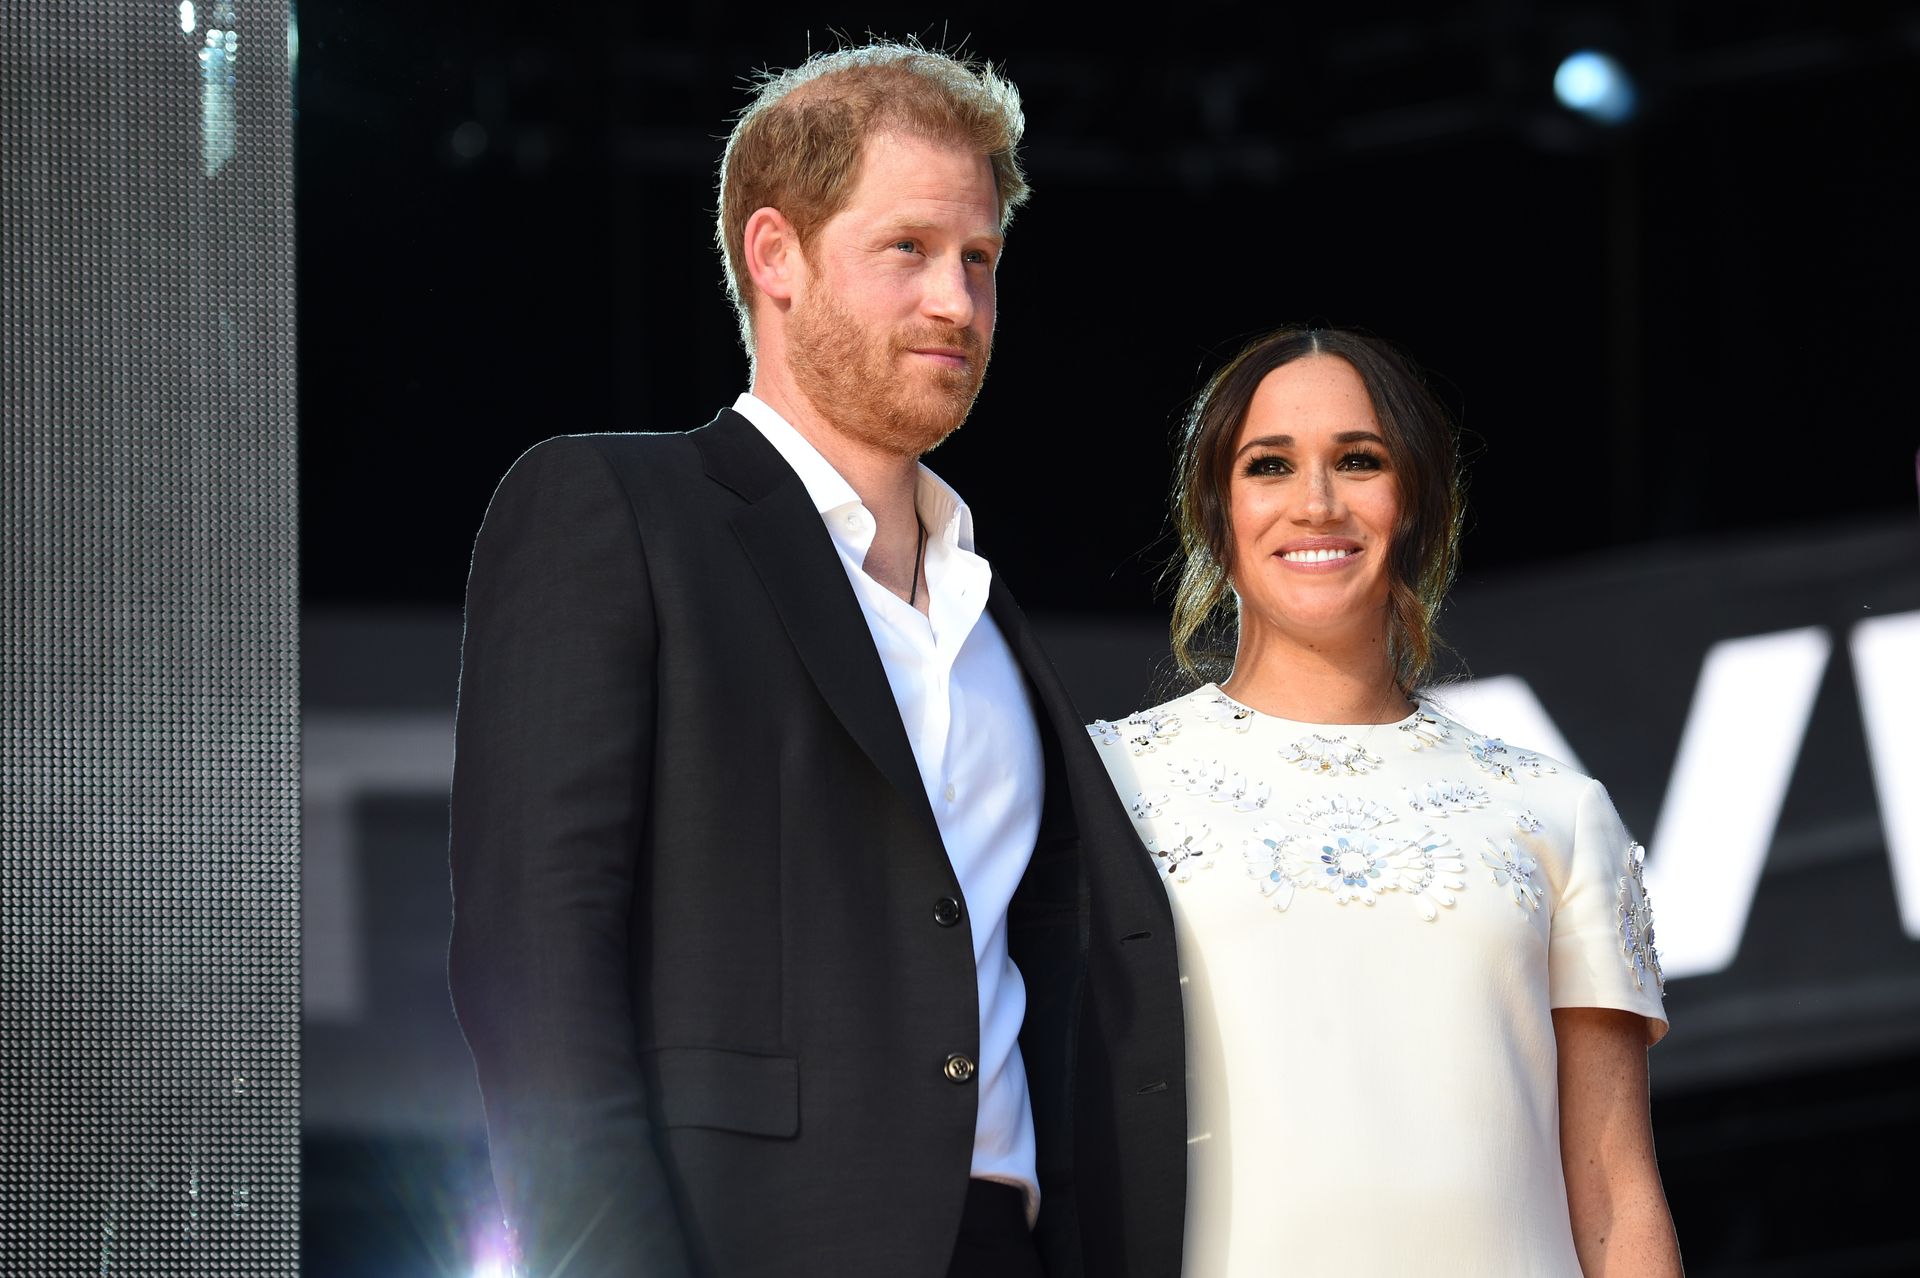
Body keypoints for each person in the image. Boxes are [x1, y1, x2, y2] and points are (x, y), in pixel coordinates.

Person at [447, 42, 1185, 1278]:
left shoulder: (991, 617)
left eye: (981, 261)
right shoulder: (613, 508)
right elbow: (534, 966)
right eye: (909, 248)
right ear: (774, 254)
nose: (958, 302)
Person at [1089, 325, 1683, 1276]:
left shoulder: (1554, 813)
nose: (1316, 503)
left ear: (1415, 503)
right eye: (1269, 466)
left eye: (1358, 461)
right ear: (1214, 509)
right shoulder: (1106, 786)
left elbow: (1616, 1189)